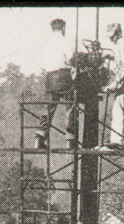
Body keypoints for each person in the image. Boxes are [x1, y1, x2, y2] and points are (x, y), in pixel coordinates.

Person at [36, 18, 76, 150]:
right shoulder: (65, 42)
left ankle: (40, 137)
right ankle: (70, 140)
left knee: (48, 108)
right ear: (63, 28)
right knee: (70, 106)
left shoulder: (46, 45)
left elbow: (43, 64)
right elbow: (71, 59)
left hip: (50, 78)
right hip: (63, 77)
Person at [101, 23, 124, 151]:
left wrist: (114, 84)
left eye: (113, 36)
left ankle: (117, 143)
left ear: (118, 34)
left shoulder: (121, 45)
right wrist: (111, 57)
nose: (111, 39)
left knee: (118, 111)